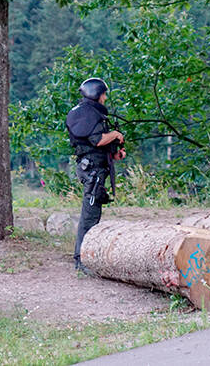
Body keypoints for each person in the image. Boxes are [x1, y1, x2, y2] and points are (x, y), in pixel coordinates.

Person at [66, 78, 126, 274]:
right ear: (97, 94)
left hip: (94, 168)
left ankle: (85, 257)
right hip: (92, 172)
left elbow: (95, 145)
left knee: (93, 213)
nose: (105, 98)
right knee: (89, 216)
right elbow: (97, 139)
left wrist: (114, 154)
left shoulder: (87, 113)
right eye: (104, 94)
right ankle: (81, 261)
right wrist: (116, 135)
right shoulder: (89, 114)